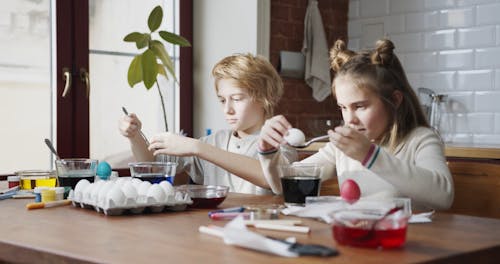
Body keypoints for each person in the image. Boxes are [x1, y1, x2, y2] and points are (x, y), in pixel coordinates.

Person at [258, 39, 454, 210]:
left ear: (394, 100)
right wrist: (268, 152)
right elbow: (283, 185)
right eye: (343, 107)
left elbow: (443, 196)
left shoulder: (420, 139)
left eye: (359, 106)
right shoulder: (340, 149)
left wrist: (370, 156)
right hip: (355, 242)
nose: (349, 119)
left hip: (404, 243)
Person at [119, 53, 297, 194]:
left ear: (265, 98)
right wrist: (134, 137)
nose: (227, 109)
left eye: (236, 99)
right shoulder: (214, 141)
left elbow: (270, 177)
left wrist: (197, 147)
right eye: (222, 100)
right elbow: (151, 165)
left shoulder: (281, 144)